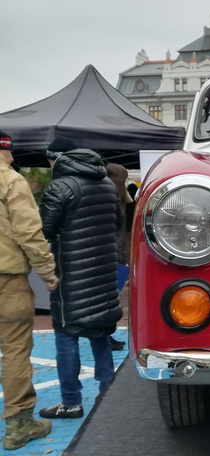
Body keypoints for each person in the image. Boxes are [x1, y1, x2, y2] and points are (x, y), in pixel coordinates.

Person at [38, 142, 123, 419]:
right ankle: (108, 394)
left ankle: (71, 402)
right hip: (103, 270)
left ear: (56, 161)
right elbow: (117, 225)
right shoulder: (109, 186)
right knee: (99, 329)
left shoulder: (60, 188)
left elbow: (43, 231)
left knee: (66, 334)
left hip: (71, 274)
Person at [0, 130, 57, 450]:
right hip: (7, 280)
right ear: (6, 150)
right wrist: (48, 272)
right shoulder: (11, 180)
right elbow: (28, 231)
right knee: (15, 352)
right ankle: (19, 424)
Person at [105, 163, 131, 351]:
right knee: (111, 298)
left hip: (111, 254)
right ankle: (107, 335)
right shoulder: (119, 197)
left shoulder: (113, 196)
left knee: (108, 298)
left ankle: (107, 335)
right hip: (118, 254)